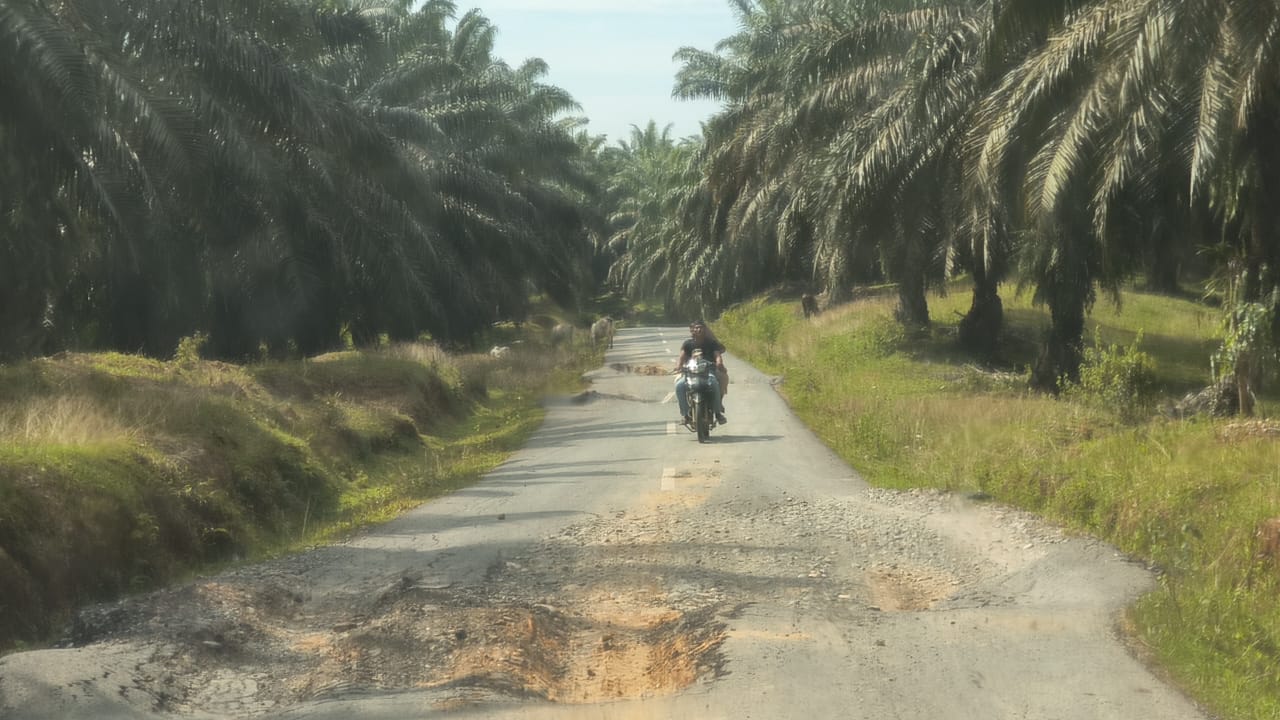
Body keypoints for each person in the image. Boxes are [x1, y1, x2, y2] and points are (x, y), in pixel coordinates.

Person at [674, 320, 727, 425]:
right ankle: (685, 415)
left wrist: (719, 363)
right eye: (696, 328)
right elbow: (682, 357)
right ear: (692, 330)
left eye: (700, 327)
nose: (698, 329)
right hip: (691, 372)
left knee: (714, 384)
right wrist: (678, 366)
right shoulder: (688, 344)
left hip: (708, 371)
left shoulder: (711, 343)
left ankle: (717, 413)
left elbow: (717, 355)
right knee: (679, 386)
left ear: (704, 329)